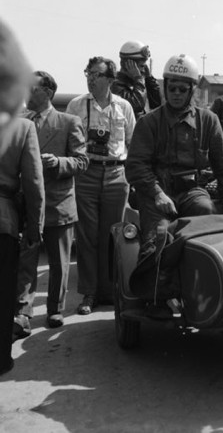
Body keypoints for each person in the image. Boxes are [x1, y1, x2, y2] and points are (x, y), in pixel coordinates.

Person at [125, 54, 223, 308]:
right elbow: (136, 166)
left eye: (182, 89)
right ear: (165, 88)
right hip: (157, 192)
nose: (176, 93)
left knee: (208, 219)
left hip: (192, 190)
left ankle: (205, 289)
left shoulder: (208, 120)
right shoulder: (149, 122)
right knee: (158, 237)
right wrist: (157, 194)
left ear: (192, 90)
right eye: (172, 88)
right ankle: (156, 294)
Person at [14, 71, 88, 334]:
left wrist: (59, 163)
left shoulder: (69, 122)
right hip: (27, 204)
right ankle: (22, 312)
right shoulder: (20, 123)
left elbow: (81, 160)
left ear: (47, 91)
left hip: (58, 203)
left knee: (58, 263)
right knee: (26, 260)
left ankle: (55, 309)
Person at [66, 56, 135, 315]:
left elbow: (133, 142)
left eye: (96, 74)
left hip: (117, 174)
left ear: (110, 79)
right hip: (86, 173)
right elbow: (68, 141)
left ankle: (110, 292)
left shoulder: (124, 107)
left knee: (113, 236)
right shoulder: (75, 105)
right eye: (88, 73)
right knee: (86, 236)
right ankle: (89, 293)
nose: (90, 78)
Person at [0, 19, 44, 375]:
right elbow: (33, 185)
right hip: (4, 222)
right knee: (3, 294)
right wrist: (35, 228)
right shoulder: (24, 126)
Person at [111, 40, 163, 119]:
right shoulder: (115, 85)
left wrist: (149, 79)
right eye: (141, 66)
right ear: (128, 65)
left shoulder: (137, 84)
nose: (143, 70)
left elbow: (156, 103)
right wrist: (138, 78)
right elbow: (137, 104)